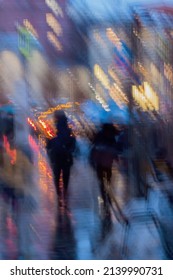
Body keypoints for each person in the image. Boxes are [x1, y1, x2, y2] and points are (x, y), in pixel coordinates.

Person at [46, 110, 76, 206]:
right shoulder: (66, 127)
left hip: (57, 157)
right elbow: (72, 144)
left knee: (57, 176)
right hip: (66, 157)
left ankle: (59, 195)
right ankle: (65, 194)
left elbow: (51, 145)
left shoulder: (58, 125)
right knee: (65, 176)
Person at [90, 123, 119, 218]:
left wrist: (92, 160)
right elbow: (114, 148)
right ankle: (108, 194)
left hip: (99, 162)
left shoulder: (99, 135)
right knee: (108, 179)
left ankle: (104, 195)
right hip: (108, 161)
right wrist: (116, 158)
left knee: (101, 181)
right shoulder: (111, 136)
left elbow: (94, 146)